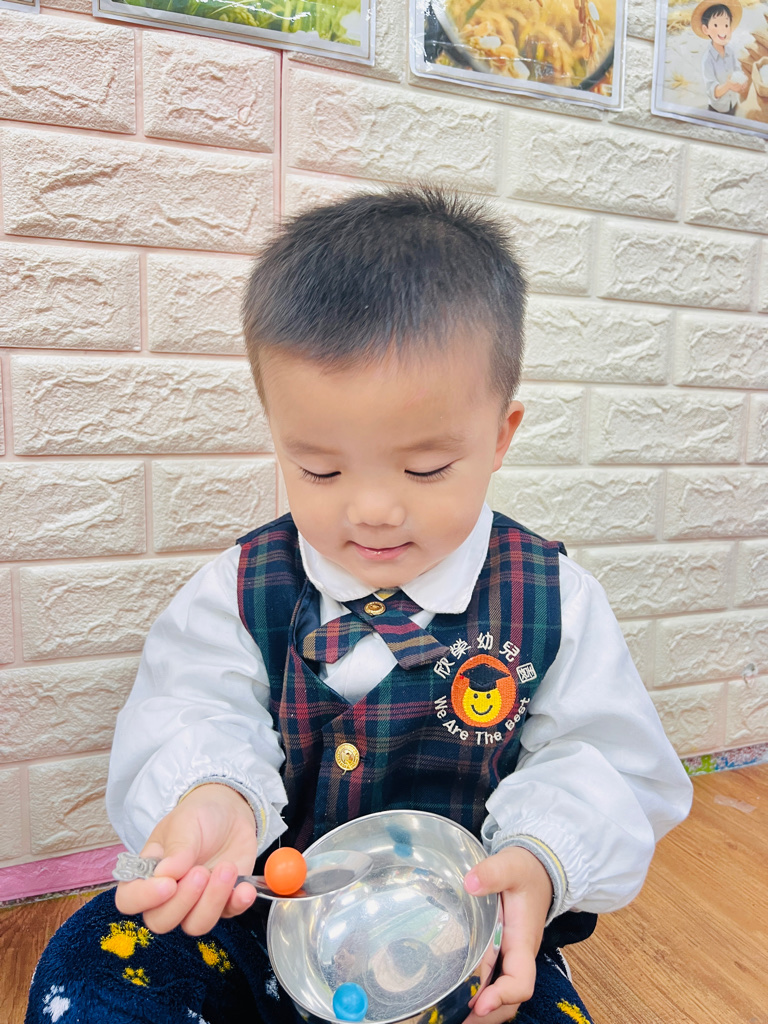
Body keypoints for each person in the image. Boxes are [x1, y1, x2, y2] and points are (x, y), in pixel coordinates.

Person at [26, 187, 693, 1024]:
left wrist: (542, 855)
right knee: (95, 967)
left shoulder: (554, 599)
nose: (373, 510)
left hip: (467, 950)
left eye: (425, 470)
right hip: (258, 919)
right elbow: (193, 706)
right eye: (320, 470)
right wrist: (213, 794)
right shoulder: (240, 588)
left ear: (500, 436)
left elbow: (609, 764)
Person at [691, 0, 749, 114]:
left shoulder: (731, 52)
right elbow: (712, 90)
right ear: (706, 29)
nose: (723, 30)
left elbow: (737, 70)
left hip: (733, 103)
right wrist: (728, 85)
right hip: (717, 109)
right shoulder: (707, 59)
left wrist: (742, 82)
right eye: (716, 25)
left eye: (726, 25)